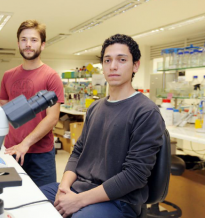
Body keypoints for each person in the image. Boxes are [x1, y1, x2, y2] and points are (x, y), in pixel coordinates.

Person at [40, 34, 166, 218]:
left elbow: (135, 175)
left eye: (122, 60)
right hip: (79, 188)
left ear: (135, 65)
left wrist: (79, 200)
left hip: (119, 200)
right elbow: (78, 152)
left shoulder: (146, 112)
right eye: (107, 60)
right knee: (28, 202)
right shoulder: (95, 107)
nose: (113, 66)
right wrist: (64, 188)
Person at [0, 20, 64, 187]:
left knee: (42, 202)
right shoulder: (9, 75)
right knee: (13, 200)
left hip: (40, 155)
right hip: (12, 150)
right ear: (18, 43)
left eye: (34, 40)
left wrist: (25, 144)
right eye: (24, 40)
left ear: (42, 45)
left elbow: (52, 118)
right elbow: (3, 112)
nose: (28, 44)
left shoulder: (51, 77)